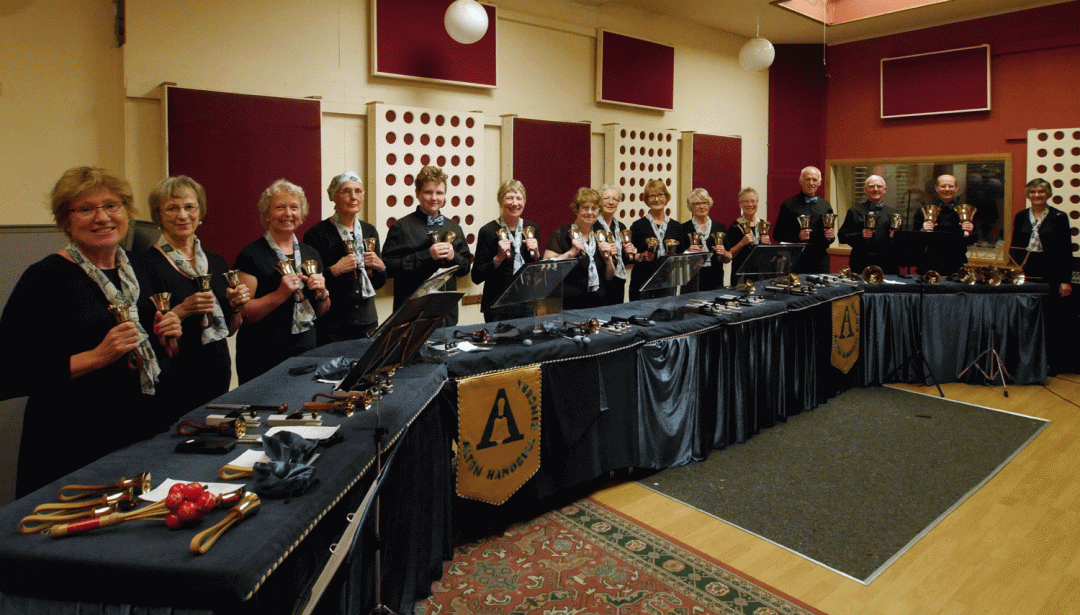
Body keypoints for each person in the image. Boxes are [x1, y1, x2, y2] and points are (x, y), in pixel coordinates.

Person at [0, 167, 182, 498]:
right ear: (65, 220)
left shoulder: (139, 272)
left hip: (141, 434)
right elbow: (8, 373)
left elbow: (155, 356)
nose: (102, 218)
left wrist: (166, 337)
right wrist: (96, 357)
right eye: (85, 209)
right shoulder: (44, 279)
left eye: (112, 205)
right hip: (73, 447)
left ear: (127, 212)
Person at [142, 175, 250, 412]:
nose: (182, 215)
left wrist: (234, 307)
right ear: (158, 216)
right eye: (172, 208)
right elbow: (144, 334)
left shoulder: (217, 263)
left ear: (200, 212)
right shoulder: (144, 265)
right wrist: (181, 311)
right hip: (174, 381)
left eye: (189, 207)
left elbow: (229, 329)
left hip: (217, 373)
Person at [234, 179, 329, 384]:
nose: (288, 213)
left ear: (301, 214)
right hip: (262, 358)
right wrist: (279, 295)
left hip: (306, 353)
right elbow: (244, 313)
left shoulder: (310, 253)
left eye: (294, 207)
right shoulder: (251, 254)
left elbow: (321, 310)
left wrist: (322, 294)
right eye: (280, 207)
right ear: (267, 215)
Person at [302, 172, 386, 344]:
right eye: (346, 191)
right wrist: (334, 270)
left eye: (358, 191)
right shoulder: (316, 234)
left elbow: (378, 283)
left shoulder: (370, 231)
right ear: (334, 196)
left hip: (368, 323)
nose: (353, 197)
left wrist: (381, 267)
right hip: (333, 326)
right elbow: (310, 287)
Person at [383, 166, 472, 326]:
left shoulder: (454, 227)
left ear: (445, 195)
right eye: (428, 192)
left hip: (446, 315)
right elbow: (388, 268)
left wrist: (454, 257)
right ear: (417, 194)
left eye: (439, 193)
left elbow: (465, 268)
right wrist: (427, 255)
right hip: (411, 314)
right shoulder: (401, 227)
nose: (434, 198)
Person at [1010, 178, 1074, 374]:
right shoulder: (1021, 216)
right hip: (1026, 274)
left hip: (1051, 275)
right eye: (1033, 192)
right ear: (1028, 195)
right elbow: (1014, 247)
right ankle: (1024, 363)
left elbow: (1065, 250)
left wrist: (1065, 280)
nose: (1037, 195)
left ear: (1048, 194)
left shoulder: (1059, 216)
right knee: (1025, 319)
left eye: (1041, 191)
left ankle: (1049, 364)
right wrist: (1013, 272)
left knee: (1050, 320)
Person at [471, 179, 540, 322]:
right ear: (500, 201)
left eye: (519, 198)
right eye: (509, 198)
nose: (515, 203)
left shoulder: (531, 228)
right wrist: (498, 258)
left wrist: (537, 254)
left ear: (525, 201)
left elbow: (537, 271)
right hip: (497, 307)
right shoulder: (488, 231)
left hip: (526, 304)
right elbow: (476, 276)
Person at [543, 187, 616, 309]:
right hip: (569, 306)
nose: (590, 212)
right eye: (585, 208)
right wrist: (571, 253)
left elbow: (609, 276)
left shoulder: (600, 235)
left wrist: (608, 258)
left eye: (594, 208)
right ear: (576, 210)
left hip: (598, 304)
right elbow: (546, 268)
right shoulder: (562, 234)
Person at [628, 179, 687, 301]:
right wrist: (641, 256)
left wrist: (673, 257)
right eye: (652, 196)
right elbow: (629, 256)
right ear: (646, 200)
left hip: (667, 282)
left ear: (666, 197)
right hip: (642, 281)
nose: (656, 199)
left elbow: (681, 254)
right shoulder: (637, 225)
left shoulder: (677, 226)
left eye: (660, 195)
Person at [772, 166, 836, 274]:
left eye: (815, 180)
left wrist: (831, 237)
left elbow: (829, 236)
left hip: (820, 260)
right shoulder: (789, 205)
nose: (811, 183)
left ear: (820, 182)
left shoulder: (825, 205)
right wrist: (798, 236)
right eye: (808, 179)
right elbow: (777, 234)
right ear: (800, 181)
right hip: (797, 261)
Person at [912, 174, 975, 276]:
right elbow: (914, 240)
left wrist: (970, 232)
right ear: (937, 188)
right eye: (943, 186)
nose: (947, 189)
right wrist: (923, 231)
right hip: (930, 263)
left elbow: (972, 241)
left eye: (950, 186)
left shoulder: (966, 210)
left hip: (956, 263)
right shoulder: (923, 210)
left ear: (956, 188)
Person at [838, 175, 899, 275]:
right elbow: (842, 237)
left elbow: (902, 242)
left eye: (879, 186)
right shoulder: (854, 211)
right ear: (865, 189)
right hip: (861, 263)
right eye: (871, 186)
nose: (875, 189)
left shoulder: (893, 213)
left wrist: (897, 236)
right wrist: (860, 235)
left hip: (887, 264)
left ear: (885, 189)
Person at [681, 188, 729, 291]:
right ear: (691, 206)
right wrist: (687, 252)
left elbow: (728, 258)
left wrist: (724, 253)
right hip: (691, 283)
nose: (701, 207)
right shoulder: (683, 228)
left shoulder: (720, 227)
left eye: (704, 203)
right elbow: (677, 260)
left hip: (715, 282)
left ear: (709, 204)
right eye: (697, 204)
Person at [595, 184, 637, 305]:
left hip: (618, 283)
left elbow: (623, 261)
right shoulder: (593, 225)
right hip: (599, 283)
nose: (611, 202)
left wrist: (628, 253)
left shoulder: (621, 227)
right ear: (599, 201)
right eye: (606, 198)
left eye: (615, 199)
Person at [724, 187, 772, 284]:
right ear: (740, 204)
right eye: (746, 202)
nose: (750, 205)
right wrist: (742, 243)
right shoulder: (735, 227)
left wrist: (768, 244)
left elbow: (768, 254)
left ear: (757, 203)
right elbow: (728, 256)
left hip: (761, 275)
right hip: (742, 277)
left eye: (753, 201)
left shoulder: (763, 225)